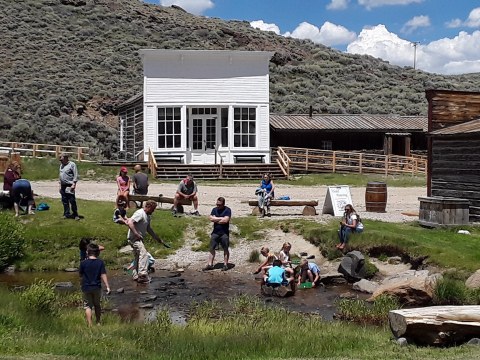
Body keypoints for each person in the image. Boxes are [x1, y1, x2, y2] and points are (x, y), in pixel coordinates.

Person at [127, 200, 166, 283]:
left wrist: (157, 239)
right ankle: (142, 275)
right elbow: (130, 222)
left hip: (138, 239)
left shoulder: (147, 216)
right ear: (148, 207)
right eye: (153, 209)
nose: (153, 211)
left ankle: (135, 275)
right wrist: (136, 234)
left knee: (138, 257)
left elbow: (149, 229)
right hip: (134, 238)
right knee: (143, 253)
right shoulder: (140, 213)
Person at [79, 243, 110, 326]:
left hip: (86, 287)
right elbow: (103, 274)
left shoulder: (83, 263)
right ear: (98, 253)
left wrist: (81, 284)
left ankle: (90, 324)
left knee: (88, 306)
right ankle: (98, 322)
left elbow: (81, 275)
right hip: (96, 287)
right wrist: (107, 286)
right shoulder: (100, 263)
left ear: (87, 252)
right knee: (97, 305)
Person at [203, 197, 231, 271]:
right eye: (217, 204)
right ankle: (210, 264)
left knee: (225, 248)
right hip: (215, 232)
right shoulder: (214, 209)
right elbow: (211, 218)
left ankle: (225, 264)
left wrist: (216, 219)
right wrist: (221, 218)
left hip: (224, 233)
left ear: (223, 204)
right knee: (211, 248)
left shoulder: (227, 210)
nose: (218, 206)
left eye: (219, 205)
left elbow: (225, 220)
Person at [59, 153, 79, 220]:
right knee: (64, 201)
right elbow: (60, 175)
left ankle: (75, 214)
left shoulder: (72, 164)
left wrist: (74, 184)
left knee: (72, 200)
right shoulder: (61, 165)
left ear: (65, 158)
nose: (60, 161)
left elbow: (75, 175)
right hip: (63, 185)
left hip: (69, 185)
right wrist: (59, 185)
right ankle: (66, 213)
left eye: (61, 159)